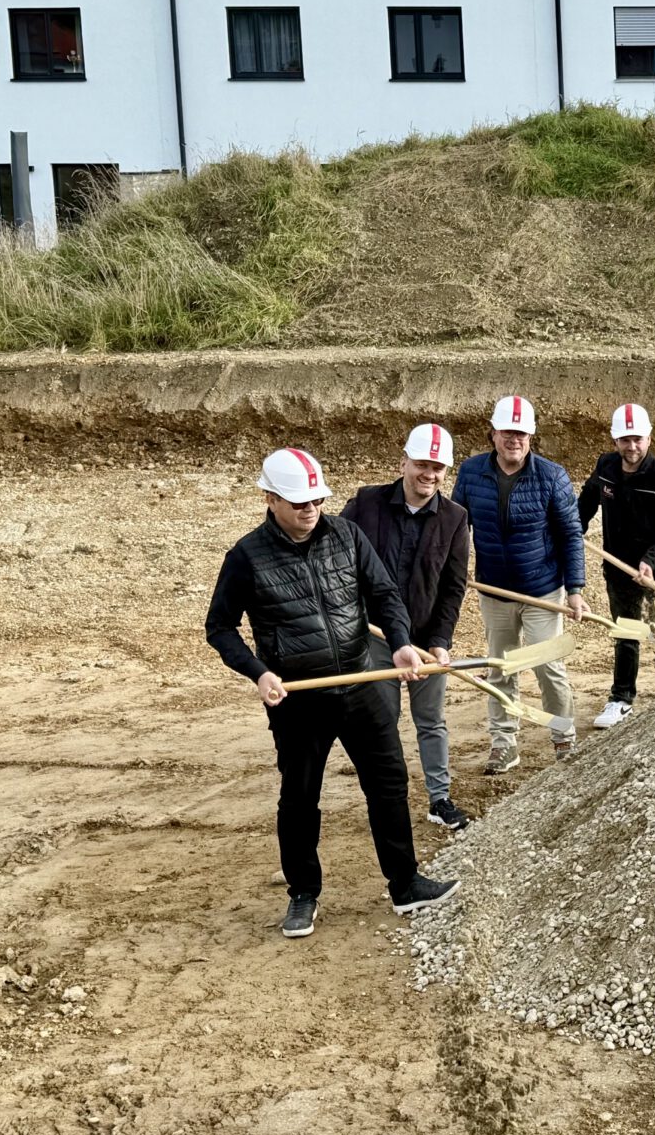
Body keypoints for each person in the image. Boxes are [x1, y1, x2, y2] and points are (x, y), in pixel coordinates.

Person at [204, 447, 460, 940]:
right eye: (299, 502)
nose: (311, 509)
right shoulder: (247, 556)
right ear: (270, 498)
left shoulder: (346, 534)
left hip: (363, 684)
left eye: (317, 499)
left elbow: (383, 593)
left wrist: (401, 643)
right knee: (300, 797)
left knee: (389, 785)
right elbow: (220, 627)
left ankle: (405, 883)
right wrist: (258, 673)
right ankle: (303, 894)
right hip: (299, 700)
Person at [341, 423, 473, 832]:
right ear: (404, 463)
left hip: (425, 639)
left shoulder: (455, 518)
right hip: (375, 636)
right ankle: (388, 799)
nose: (428, 474)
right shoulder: (367, 503)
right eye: (421, 465)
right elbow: (335, 552)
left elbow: (453, 588)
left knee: (430, 720)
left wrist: (440, 641)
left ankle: (440, 799)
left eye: (437, 468)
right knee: (382, 721)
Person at [452, 396, 588, 769]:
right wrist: (455, 570)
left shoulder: (551, 476)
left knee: (548, 667)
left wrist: (575, 590)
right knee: (502, 666)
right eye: (508, 432)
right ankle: (504, 743)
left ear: (531, 436)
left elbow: (570, 535)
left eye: (522, 433)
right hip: (494, 590)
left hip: (542, 589)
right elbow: (455, 527)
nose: (515, 439)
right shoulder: (471, 472)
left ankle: (563, 737)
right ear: (493, 433)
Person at [578, 402, 655, 730]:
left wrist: (651, 560)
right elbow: (586, 502)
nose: (632, 447)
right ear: (615, 440)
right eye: (625, 440)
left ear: (649, 439)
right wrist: (573, 529)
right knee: (626, 631)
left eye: (637, 439)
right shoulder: (606, 467)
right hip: (618, 567)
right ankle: (622, 698)